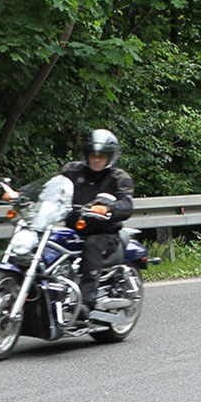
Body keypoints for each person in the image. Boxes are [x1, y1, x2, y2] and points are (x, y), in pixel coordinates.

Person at [59, 129, 134, 320]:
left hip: (104, 233)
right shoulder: (72, 171)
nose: (97, 159)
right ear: (87, 154)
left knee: (92, 246)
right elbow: (50, 185)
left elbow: (126, 203)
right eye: (93, 154)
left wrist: (109, 208)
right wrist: (21, 193)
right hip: (73, 228)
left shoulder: (118, 177)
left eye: (102, 155)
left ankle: (85, 303)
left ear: (110, 156)